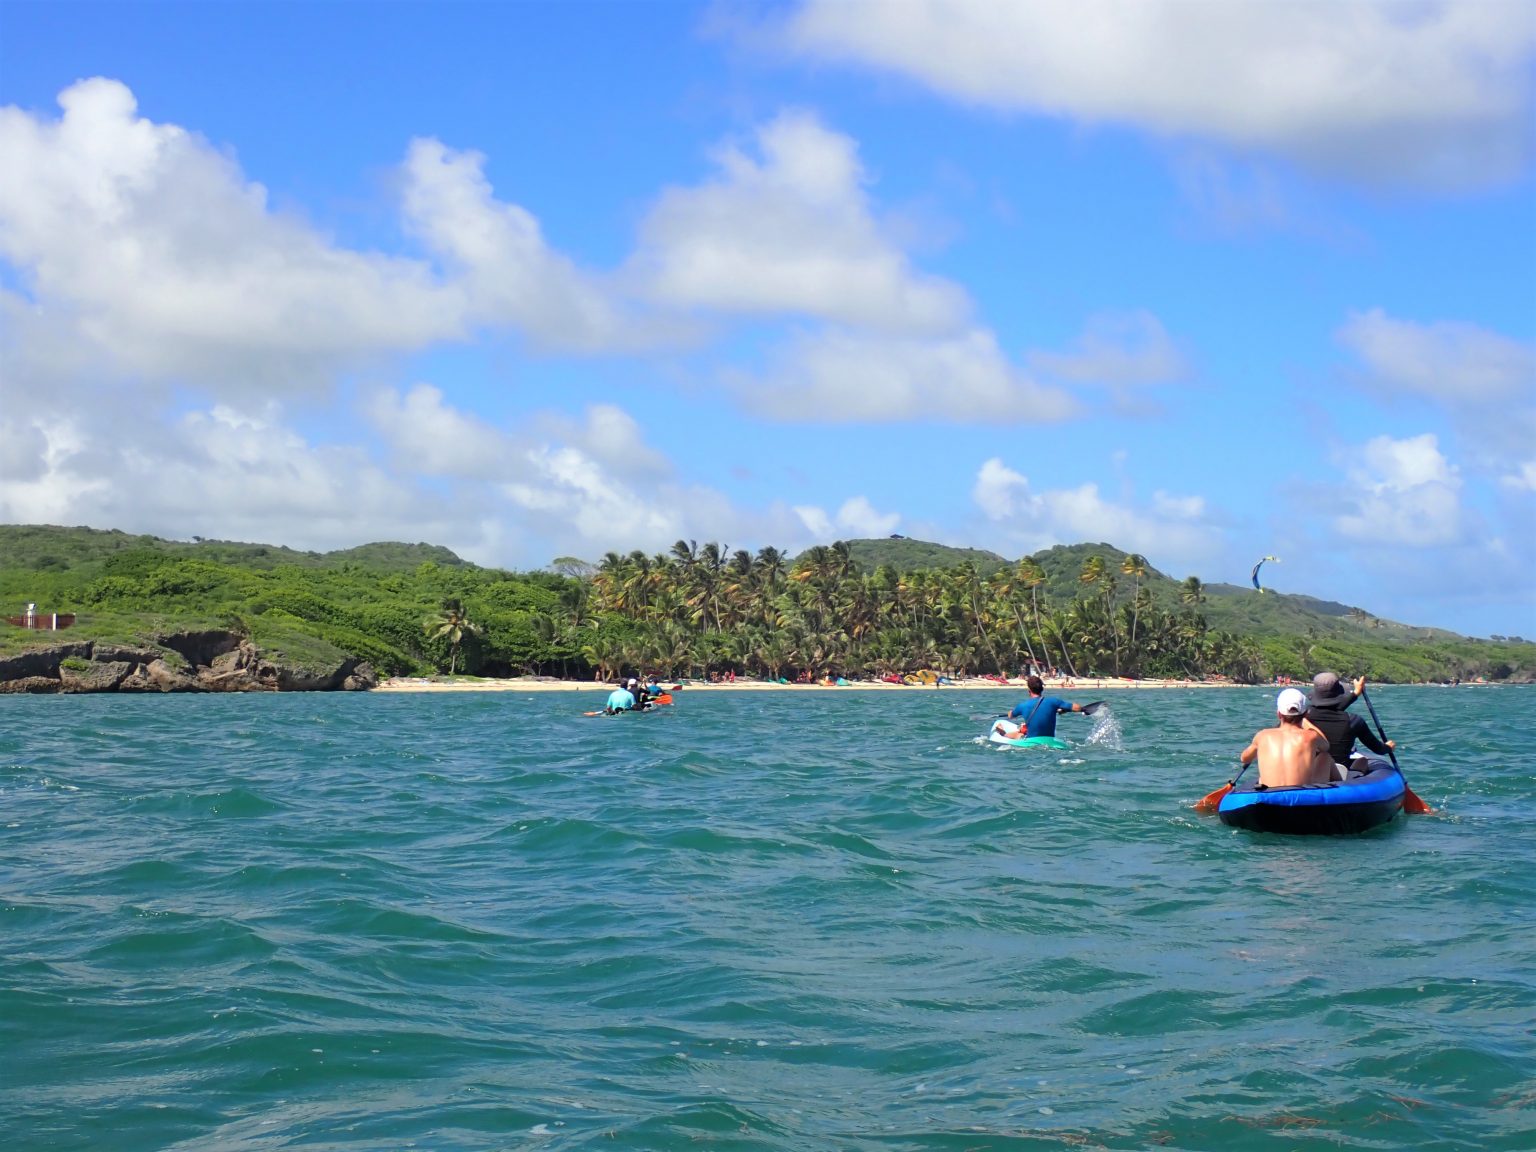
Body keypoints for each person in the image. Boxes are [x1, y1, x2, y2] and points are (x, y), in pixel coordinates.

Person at [1239, 688, 1335, 788]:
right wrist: (1306, 723)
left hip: (1271, 796)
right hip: (1299, 797)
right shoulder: (1311, 736)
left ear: (1279, 714)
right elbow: (1325, 746)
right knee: (1325, 756)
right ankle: (1341, 789)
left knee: (1261, 778)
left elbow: (1244, 758)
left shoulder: (1262, 735)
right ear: (1305, 714)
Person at [1305, 671, 1394, 777]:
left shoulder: (1303, 717)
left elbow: (1329, 709)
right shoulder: (1354, 721)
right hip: (1340, 774)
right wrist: (1388, 747)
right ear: (1340, 694)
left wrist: (1356, 693)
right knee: (1362, 762)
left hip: (1309, 772)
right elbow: (1379, 749)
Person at [996, 675, 1095, 740]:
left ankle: (1002, 734)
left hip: (1032, 741)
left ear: (1029, 690)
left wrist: (1010, 712)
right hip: (1050, 740)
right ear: (1042, 689)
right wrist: (1082, 709)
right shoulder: (1053, 701)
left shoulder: (1022, 706)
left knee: (1019, 735)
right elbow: (1075, 708)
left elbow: (1011, 716)